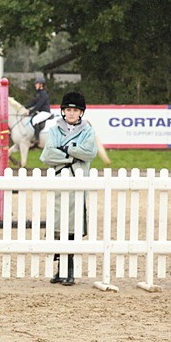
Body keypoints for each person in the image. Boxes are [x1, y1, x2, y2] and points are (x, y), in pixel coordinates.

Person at [40, 91, 98, 286]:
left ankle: (69, 270)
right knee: (58, 226)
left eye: (75, 110)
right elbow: (47, 155)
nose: (71, 113)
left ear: (81, 112)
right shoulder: (55, 129)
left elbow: (89, 152)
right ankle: (59, 270)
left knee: (72, 227)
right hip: (59, 182)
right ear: (63, 111)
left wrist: (65, 149)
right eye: (68, 110)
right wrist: (73, 154)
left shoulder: (88, 131)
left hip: (77, 183)